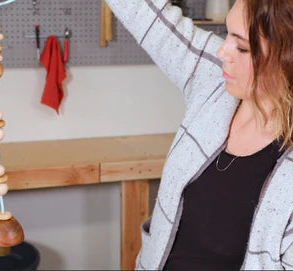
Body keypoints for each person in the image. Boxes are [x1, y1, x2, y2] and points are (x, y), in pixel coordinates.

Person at [105, 0, 293, 269]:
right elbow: (148, 15)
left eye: (241, 46)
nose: (222, 51)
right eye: (228, 33)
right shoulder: (214, 80)